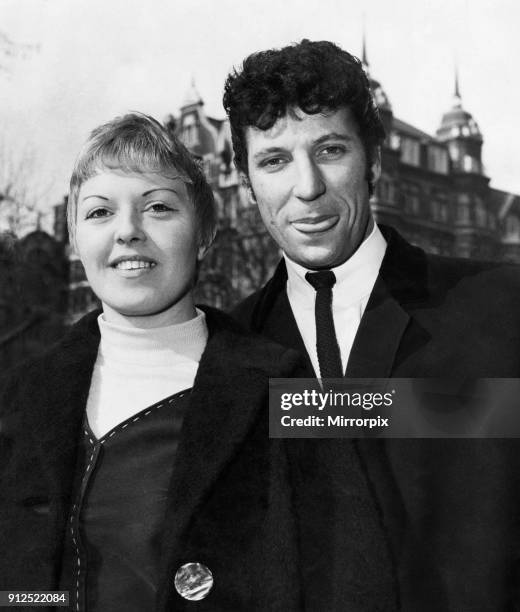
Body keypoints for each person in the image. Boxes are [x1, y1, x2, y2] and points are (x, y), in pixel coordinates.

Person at [224, 40, 520, 609]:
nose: (307, 187)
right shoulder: (228, 352)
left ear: (375, 161)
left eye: (330, 149)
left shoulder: (501, 309)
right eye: (274, 160)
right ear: (247, 183)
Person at [0, 113, 304, 611]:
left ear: (205, 231)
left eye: (158, 207)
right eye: (99, 213)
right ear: (75, 240)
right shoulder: (19, 399)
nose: (128, 232)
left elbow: (332, 571)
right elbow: (17, 585)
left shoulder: (281, 388)